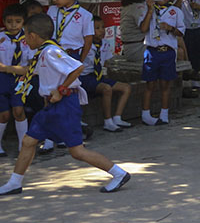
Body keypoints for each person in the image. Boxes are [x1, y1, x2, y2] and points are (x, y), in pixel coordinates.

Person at [0, 14, 130, 196]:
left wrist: (61, 90)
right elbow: (30, 70)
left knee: (77, 151)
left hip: (64, 106)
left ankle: (119, 173)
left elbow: (77, 67)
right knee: (28, 141)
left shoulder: (51, 52)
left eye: (26, 35)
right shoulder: (43, 53)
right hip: (51, 107)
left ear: (33, 36)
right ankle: (14, 183)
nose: (25, 41)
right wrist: (6, 68)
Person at [140, 0, 185, 126]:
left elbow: (181, 32)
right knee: (150, 84)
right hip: (152, 51)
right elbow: (143, 29)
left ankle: (164, 113)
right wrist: (150, 11)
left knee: (165, 84)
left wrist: (170, 28)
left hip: (168, 52)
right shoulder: (146, 9)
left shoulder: (175, 12)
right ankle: (146, 114)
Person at [80, 17, 132, 132]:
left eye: (103, 27)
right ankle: (107, 122)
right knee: (106, 89)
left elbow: (106, 62)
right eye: (97, 28)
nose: (102, 30)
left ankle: (117, 117)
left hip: (99, 77)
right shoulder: (84, 45)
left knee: (126, 88)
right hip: (85, 77)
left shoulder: (105, 44)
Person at [0, 4, 29, 154]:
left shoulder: (29, 38)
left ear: (24, 21)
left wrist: (8, 68)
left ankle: (23, 146)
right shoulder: (1, 37)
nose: (13, 25)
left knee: (19, 110)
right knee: (3, 114)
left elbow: (31, 63)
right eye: (9, 21)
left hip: (21, 78)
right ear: (4, 21)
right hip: (2, 79)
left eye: (18, 21)